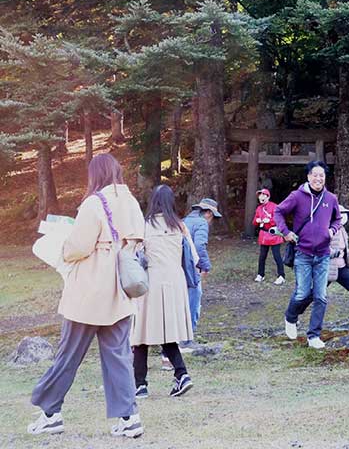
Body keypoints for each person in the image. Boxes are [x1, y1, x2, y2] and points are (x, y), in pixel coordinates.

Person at [27, 153, 146, 439]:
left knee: (68, 354)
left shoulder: (94, 203)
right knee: (118, 356)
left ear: (96, 175)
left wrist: (63, 243)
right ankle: (130, 418)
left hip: (89, 292)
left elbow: (77, 247)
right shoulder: (130, 201)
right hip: (120, 291)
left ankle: (50, 413)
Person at [130, 184, 196, 399]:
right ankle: (181, 373)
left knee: (141, 332)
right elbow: (194, 258)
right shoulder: (180, 226)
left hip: (152, 281)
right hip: (175, 281)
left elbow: (134, 255)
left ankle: (140, 384)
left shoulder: (145, 226)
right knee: (167, 332)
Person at [275, 160, 341, 349]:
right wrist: (286, 232)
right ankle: (290, 317)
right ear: (308, 176)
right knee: (303, 293)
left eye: (322, 175)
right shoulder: (297, 196)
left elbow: (338, 219)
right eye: (315, 175)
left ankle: (314, 336)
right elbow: (278, 211)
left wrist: (332, 230)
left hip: (323, 254)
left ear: (325, 178)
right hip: (302, 253)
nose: (318, 178)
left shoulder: (331, 198)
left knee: (321, 296)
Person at [294, 205, 349, 325]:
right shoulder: (326, 229)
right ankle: (294, 315)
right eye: (341, 214)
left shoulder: (342, 230)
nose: (344, 216)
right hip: (327, 268)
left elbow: (344, 250)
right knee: (313, 293)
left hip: (341, 267)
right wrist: (334, 253)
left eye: (345, 214)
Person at [182, 197, 220, 335]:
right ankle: (187, 338)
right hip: (192, 268)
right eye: (213, 217)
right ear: (209, 213)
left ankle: (177, 338)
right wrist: (205, 266)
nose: (211, 221)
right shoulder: (202, 223)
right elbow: (199, 246)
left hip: (179, 268)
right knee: (193, 302)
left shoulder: (184, 221)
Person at [252, 187, 286, 284]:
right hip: (263, 235)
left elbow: (279, 219)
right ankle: (260, 274)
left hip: (273, 234)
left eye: (263, 195)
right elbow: (254, 222)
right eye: (260, 195)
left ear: (268, 196)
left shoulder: (274, 206)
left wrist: (270, 221)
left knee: (276, 256)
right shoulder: (259, 208)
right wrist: (257, 221)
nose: (261, 197)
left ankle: (281, 275)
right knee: (262, 256)